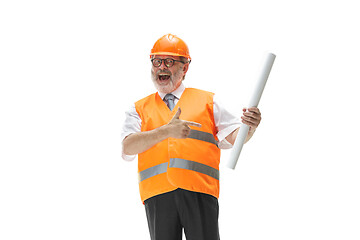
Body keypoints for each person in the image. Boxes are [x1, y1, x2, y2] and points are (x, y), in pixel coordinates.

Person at [121, 33, 262, 240]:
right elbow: (128, 146)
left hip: (200, 192)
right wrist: (166, 131)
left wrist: (250, 127)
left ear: (184, 67)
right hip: (157, 195)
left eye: (169, 62)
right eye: (157, 61)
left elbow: (235, 138)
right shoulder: (139, 108)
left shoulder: (208, 101)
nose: (162, 67)